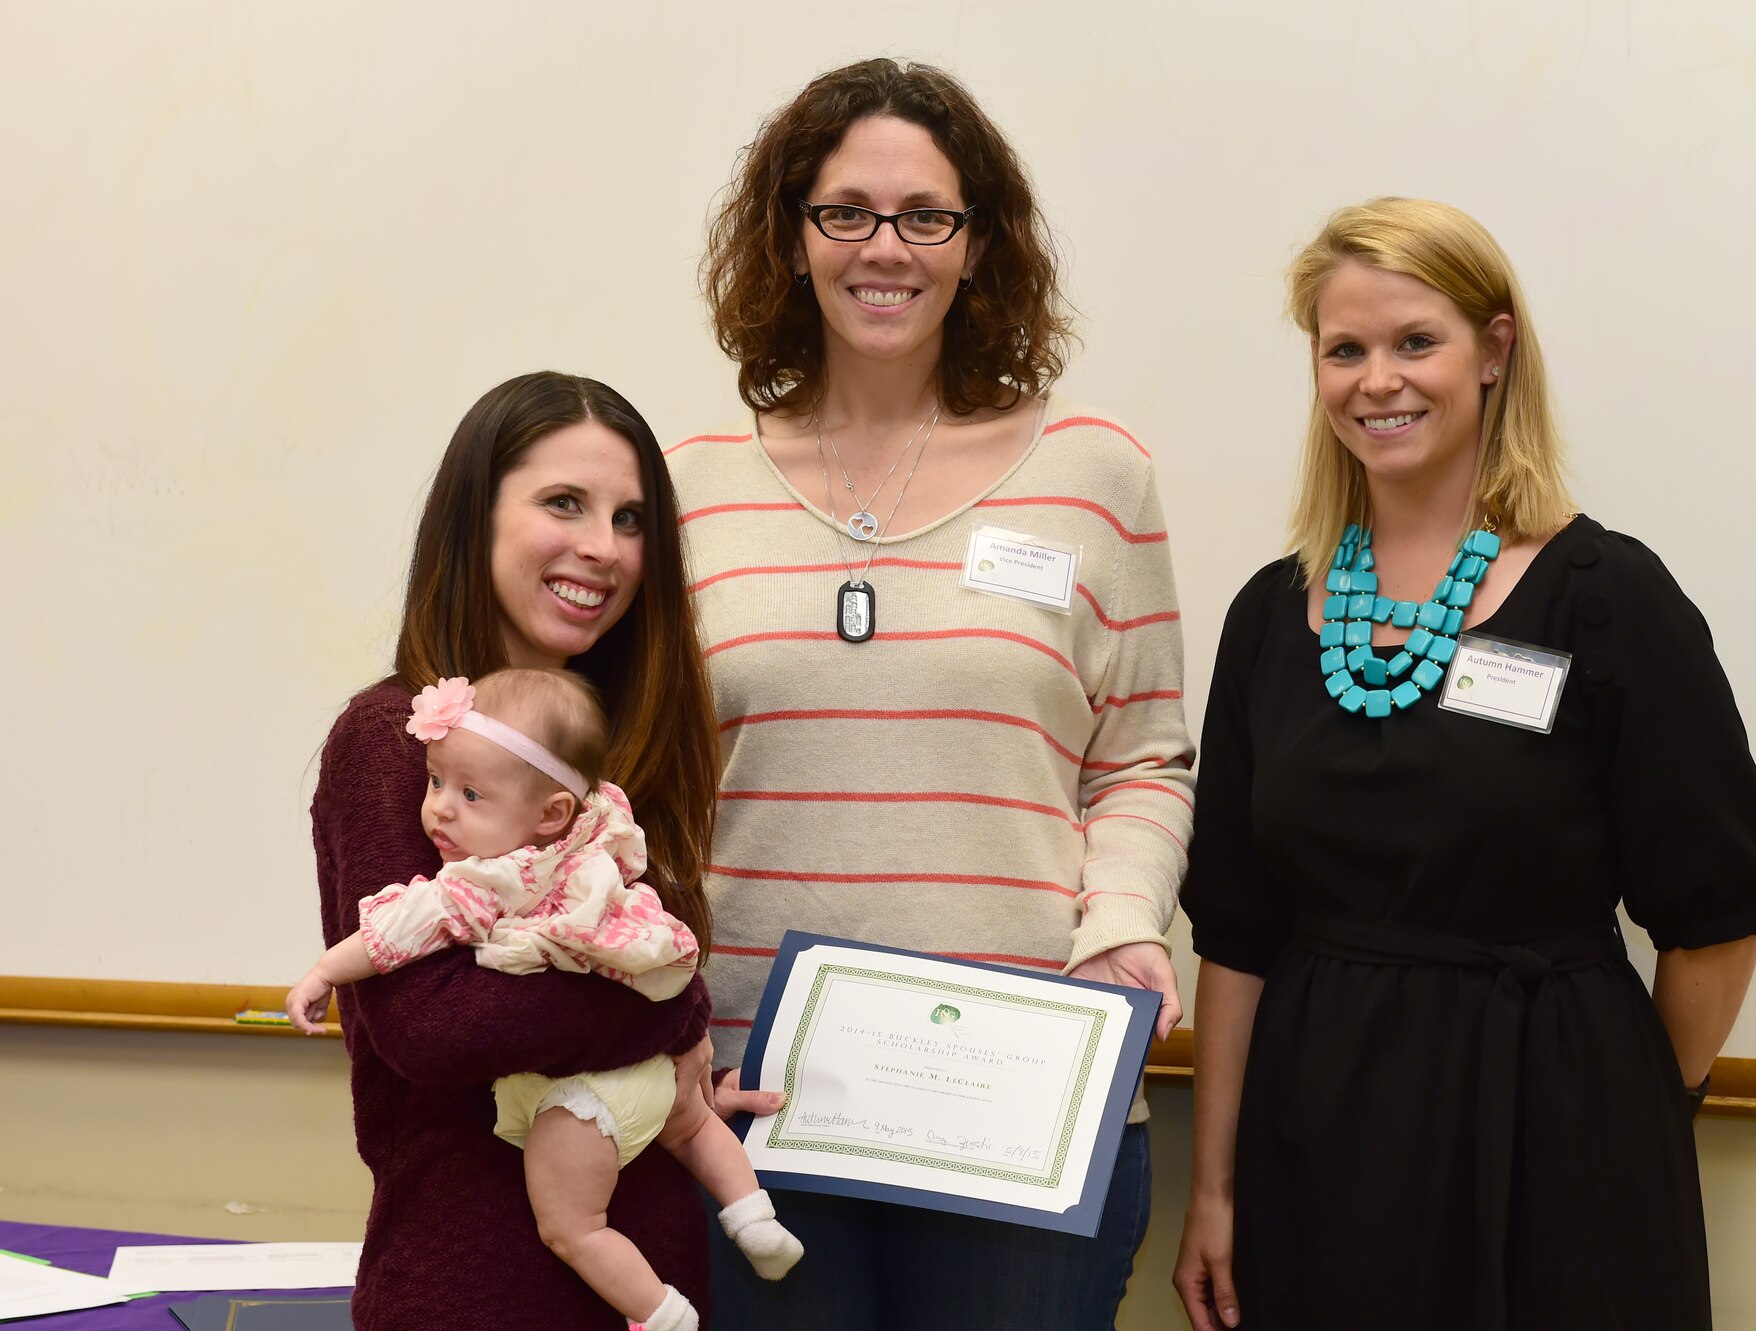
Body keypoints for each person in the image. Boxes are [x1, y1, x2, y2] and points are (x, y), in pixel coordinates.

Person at [1173, 198, 1756, 1331]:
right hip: (1317, 1142)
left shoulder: (1607, 598)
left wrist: (1635, 1105)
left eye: (1415, 341)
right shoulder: (1270, 613)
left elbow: (1717, 908)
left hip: (1554, 1133)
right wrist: (1211, 1188)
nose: (1377, 380)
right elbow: (1235, 929)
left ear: (1493, 350)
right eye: (1342, 349)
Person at [675, 57, 1192, 1330]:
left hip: (1026, 1097)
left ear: (978, 246)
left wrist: (1120, 919)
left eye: (925, 216)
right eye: (844, 211)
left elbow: (1140, 759)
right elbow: (646, 790)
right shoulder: (687, 484)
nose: (883, 248)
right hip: (752, 1093)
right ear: (791, 238)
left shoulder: (1094, 473)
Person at [311, 371, 725, 1329]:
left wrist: (686, 1082)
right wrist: (674, 1010)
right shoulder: (398, 738)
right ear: (476, 516)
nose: (603, 547)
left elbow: (622, 985)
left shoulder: (614, 750)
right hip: (480, 1281)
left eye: (630, 520)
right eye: (564, 503)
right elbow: (434, 1025)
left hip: (657, 1270)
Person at [289, 668, 800, 1331]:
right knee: (693, 1123)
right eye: (436, 781)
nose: (441, 808)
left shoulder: (489, 878)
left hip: (588, 1100)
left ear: (550, 811)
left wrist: (324, 971)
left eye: (470, 793)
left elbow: (394, 934)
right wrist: (677, 1018)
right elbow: (669, 984)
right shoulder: (599, 833)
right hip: (654, 1073)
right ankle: (753, 1216)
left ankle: (659, 1312)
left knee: (571, 1224)